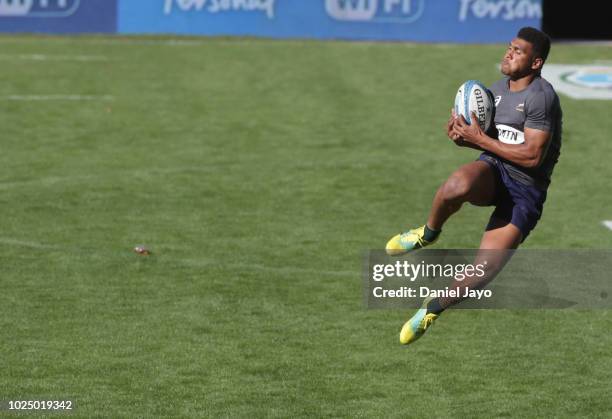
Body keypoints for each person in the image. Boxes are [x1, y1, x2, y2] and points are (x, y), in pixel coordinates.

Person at [385, 27, 563, 345]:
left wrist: (479, 139)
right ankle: (427, 234)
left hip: (525, 191)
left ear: (536, 63)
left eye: (518, 51)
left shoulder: (542, 98)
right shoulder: (493, 92)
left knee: (484, 271)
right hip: (493, 172)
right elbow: (490, 145)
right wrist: (463, 139)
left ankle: (433, 307)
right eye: (509, 47)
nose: (508, 53)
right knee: (456, 185)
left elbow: (533, 157)